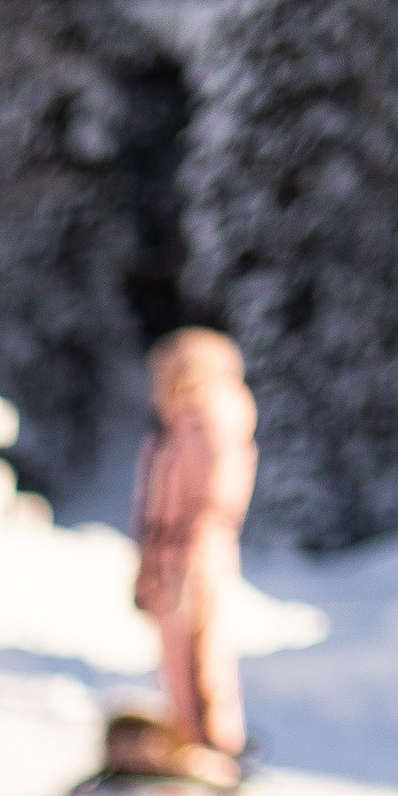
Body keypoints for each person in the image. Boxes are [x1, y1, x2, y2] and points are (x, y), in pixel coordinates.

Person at [131, 329, 257, 768]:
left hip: (200, 550)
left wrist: (191, 549)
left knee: (205, 649)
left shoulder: (215, 414)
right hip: (170, 552)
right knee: (175, 655)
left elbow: (218, 491)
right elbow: (155, 498)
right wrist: (147, 566)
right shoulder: (175, 425)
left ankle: (219, 747)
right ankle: (189, 743)